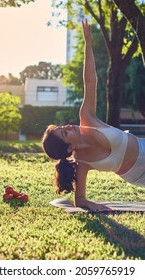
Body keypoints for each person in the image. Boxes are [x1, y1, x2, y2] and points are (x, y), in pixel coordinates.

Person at [42, 19, 145, 211]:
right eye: (64, 133)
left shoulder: (87, 118)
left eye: (62, 127)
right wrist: (96, 205)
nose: (68, 126)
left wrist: (88, 44)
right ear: (69, 147)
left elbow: (90, 81)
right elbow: (80, 200)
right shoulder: (82, 163)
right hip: (139, 177)